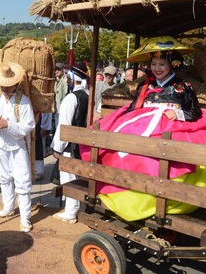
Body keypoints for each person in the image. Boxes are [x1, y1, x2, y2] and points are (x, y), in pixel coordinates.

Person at [81, 37, 206, 221]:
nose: (158, 68)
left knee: (165, 159)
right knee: (126, 150)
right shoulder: (144, 85)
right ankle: (127, 190)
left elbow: (194, 112)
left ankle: (165, 196)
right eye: (154, 64)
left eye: (162, 64)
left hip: (172, 128)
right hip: (142, 125)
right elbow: (134, 108)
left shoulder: (183, 86)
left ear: (172, 64)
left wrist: (178, 115)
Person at [0, 62, 35, 232]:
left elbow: (29, 125)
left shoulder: (23, 101)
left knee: (22, 181)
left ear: (16, 83)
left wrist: (8, 125)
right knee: (3, 177)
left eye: (8, 84)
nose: (4, 88)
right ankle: (8, 207)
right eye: (2, 84)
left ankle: (26, 218)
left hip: (17, 147)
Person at [51, 61, 90, 224]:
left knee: (69, 179)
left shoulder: (71, 98)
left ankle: (70, 212)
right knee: (78, 177)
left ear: (72, 79)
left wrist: (57, 148)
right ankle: (77, 208)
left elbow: (64, 126)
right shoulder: (88, 96)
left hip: (70, 145)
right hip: (83, 145)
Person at [34, 112, 53, 181]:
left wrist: (44, 127)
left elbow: (46, 111)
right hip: (32, 121)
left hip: (39, 122)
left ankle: (39, 171)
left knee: (39, 146)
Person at [54, 62, 68, 129]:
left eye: (58, 69)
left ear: (63, 70)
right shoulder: (54, 80)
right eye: (55, 69)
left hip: (61, 109)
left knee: (59, 128)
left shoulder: (66, 80)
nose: (56, 71)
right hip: (54, 108)